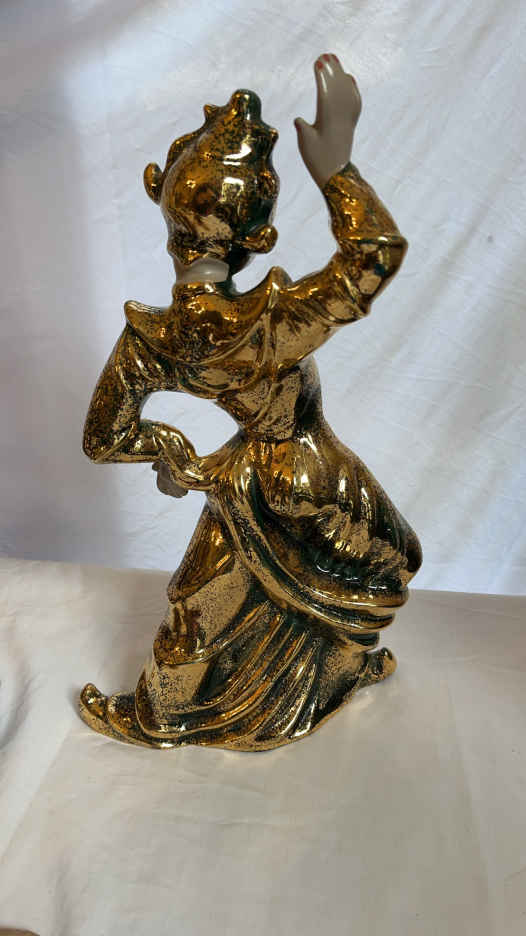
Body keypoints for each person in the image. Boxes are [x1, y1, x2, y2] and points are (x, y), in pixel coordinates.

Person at [79, 54, 422, 751]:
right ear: (259, 238)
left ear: (162, 201)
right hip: (316, 475)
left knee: (202, 604)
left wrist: (169, 446)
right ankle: (336, 674)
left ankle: (163, 713)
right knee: (364, 576)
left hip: (248, 482)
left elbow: (103, 437)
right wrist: (337, 170)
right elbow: (374, 255)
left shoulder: (153, 340)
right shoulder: (272, 322)